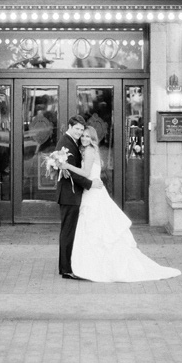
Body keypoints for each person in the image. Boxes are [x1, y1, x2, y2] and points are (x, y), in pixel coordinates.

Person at [60, 126, 181, 283]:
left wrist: (66, 165)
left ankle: (95, 266)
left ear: (93, 139)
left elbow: (84, 173)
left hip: (93, 195)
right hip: (92, 192)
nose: (84, 139)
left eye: (88, 137)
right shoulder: (87, 150)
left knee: (96, 229)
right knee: (96, 230)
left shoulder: (89, 151)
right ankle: (93, 264)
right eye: (82, 136)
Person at [56, 115, 103, 279]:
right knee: (68, 232)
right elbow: (68, 172)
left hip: (75, 195)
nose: (79, 133)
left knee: (72, 231)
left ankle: (71, 265)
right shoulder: (65, 143)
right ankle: (66, 269)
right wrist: (89, 184)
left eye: (82, 130)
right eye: (77, 129)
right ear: (69, 126)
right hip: (69, 195)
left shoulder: (74, 143)